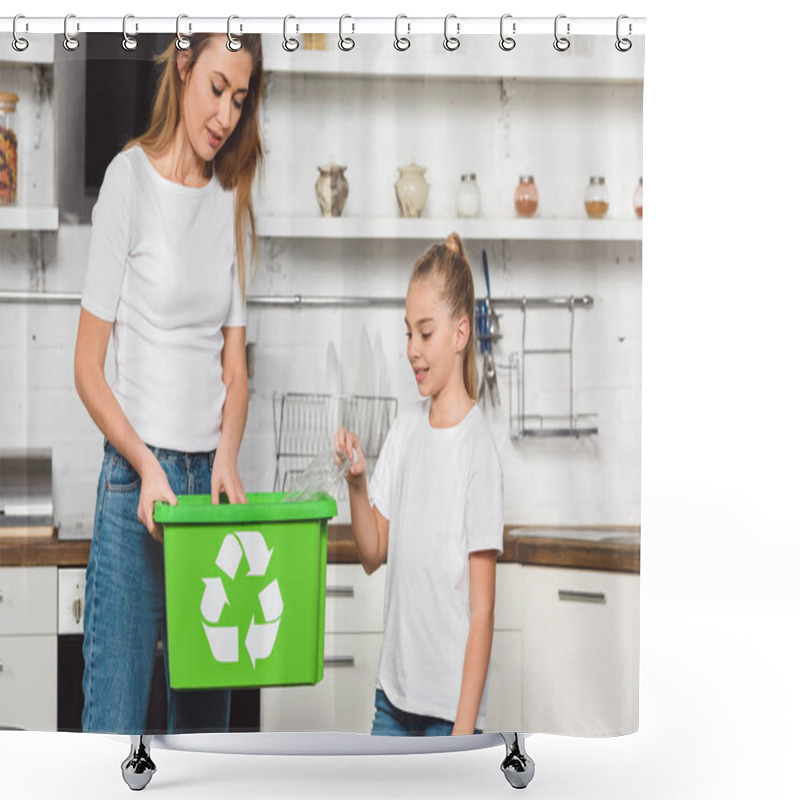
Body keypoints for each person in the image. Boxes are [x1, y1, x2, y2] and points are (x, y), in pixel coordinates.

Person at [74, 32, 264, 734]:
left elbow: (235, 370)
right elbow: (87, 368)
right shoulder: (129, 181)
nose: (225, 116)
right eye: (216, 88)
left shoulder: (230, 195)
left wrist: (225, 458)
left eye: (239, 101)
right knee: (113, 738)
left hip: (208, 500)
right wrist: (150, 468)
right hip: (135, 490)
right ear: (183, 64)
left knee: (205, 748)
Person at [335, 233, 504, 736]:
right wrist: (358, 484)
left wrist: (462, 736)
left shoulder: (478, 453)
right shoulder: (406, 428)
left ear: (459, 334)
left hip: (449, 716)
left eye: (425, 334)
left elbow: (483, 610)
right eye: (408, 333)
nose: (411, 350)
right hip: (392, 700)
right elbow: (371, 553)